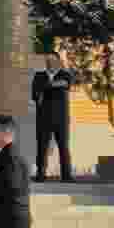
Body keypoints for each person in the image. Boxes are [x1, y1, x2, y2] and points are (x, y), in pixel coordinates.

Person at [30, 47, 78, 182]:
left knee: (63, 146)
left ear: (58, 61)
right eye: (48, 60)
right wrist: (52, 86)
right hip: (43, 117)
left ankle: (66, 175)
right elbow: (34, 94)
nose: (50, 63)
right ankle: (40, 174)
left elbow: (64, 84)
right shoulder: (38, 75)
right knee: (42, 146)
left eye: (52, 60)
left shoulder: (65, 74)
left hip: (61, 118)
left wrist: (44, 88)